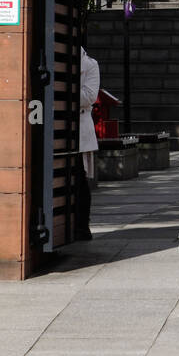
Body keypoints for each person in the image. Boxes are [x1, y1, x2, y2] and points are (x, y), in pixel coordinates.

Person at [77, 46, 100, 241]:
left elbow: (89, 96)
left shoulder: (90, 65)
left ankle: (82, 225)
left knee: (80, 179)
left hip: (80, 127)